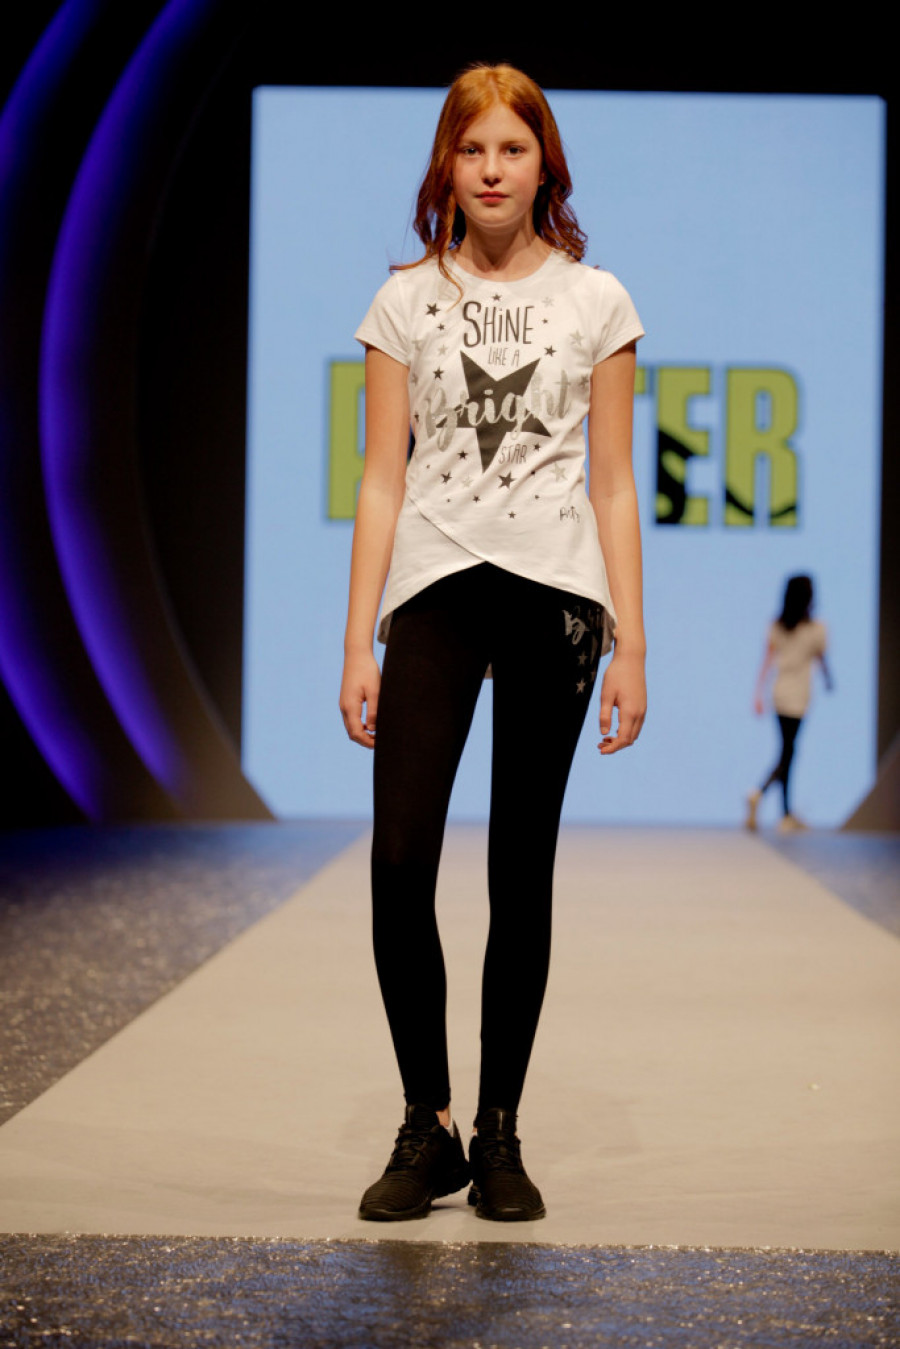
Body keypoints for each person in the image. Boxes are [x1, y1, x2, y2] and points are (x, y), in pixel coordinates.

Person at [339, 62, 646, 1223]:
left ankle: (502, 1128)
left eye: (513, 149)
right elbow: (380, 478)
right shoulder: (404, 302)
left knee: (521, 869)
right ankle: (429, 1125)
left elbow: (613, 485)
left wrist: (633, 644)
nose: (492, 169)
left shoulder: (597, 300)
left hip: (555, 595)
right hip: (433, 589)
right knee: (399, 861)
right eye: (473, 150)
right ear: (447, 165)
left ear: (543, 164)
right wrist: (359, 640)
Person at [745, 574, 831, 832]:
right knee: (788, 752)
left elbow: (766, 662)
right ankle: (763, 794)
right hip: (798, 696)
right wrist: (829, 680)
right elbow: (822, 659)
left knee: (787, 751)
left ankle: (784, 811)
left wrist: (758, 693)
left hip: (780, 693)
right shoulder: (816, 629)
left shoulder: (777, 626)